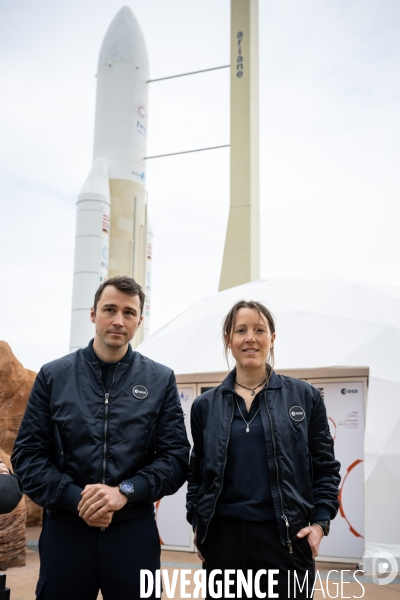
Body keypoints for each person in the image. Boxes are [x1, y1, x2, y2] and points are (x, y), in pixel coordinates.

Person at [12, 276, 190, 600]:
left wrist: (123, 492)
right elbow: (28, 457)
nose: (118, 320)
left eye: (128, 312)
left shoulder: (160, 379)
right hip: (66, 532)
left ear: (139, 319)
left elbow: (176, 458)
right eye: (110, 309)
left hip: (132, 533)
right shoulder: (53, 376)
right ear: (93, 313)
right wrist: (76, 498)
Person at [186, 300, 341, 599]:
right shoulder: (205, 406)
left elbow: (325, 467)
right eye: (240, 330)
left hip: (286, 541)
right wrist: (199, 524)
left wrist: (320, 524)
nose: (250, 338)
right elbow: (197, 474)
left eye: (260, 330)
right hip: (224, 541)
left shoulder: (305, 397)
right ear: (228, 340)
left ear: (272, 338)